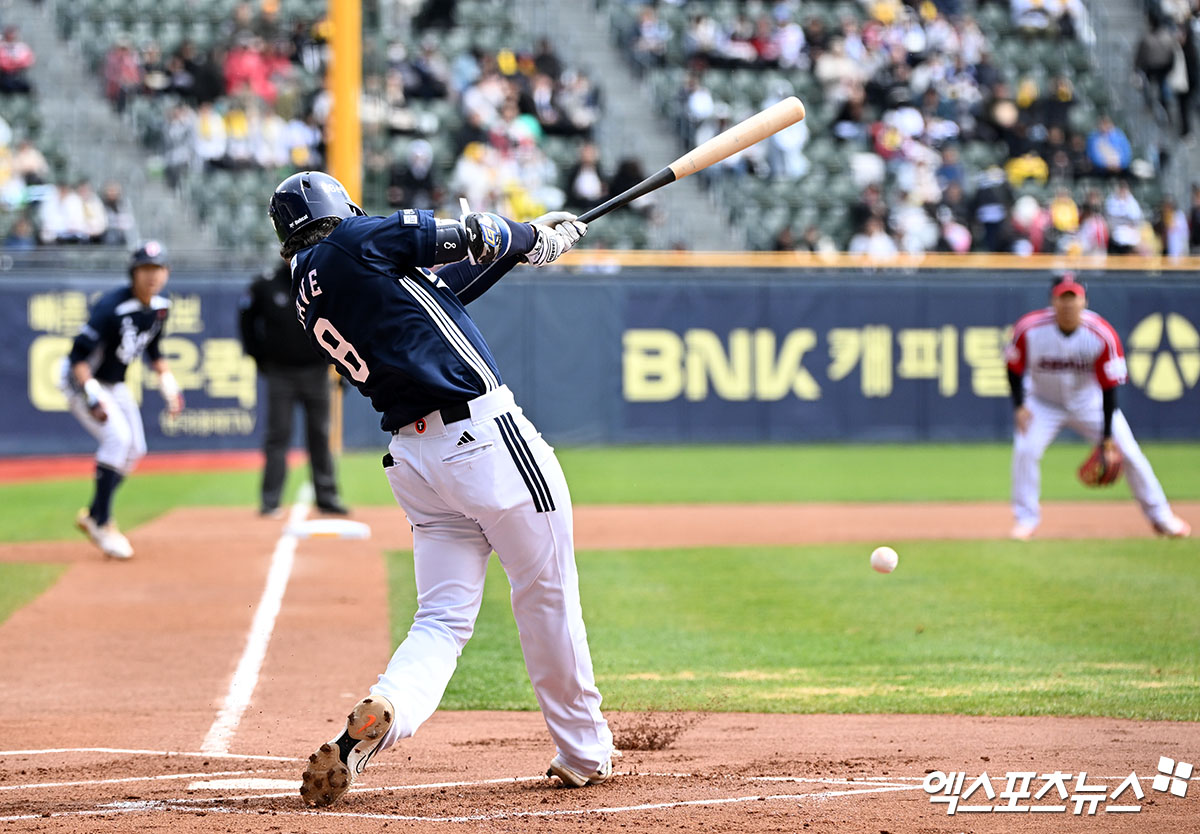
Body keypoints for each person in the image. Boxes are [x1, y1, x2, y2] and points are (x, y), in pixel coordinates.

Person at [267, 172, 613, 808]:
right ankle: (585, 751)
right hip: (483, 440)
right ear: (337, 209)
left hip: (416, 462)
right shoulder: (352, 242)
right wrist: (529, 234)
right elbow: (469, 234)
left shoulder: (310, 287)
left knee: (442, 619)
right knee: (547, 594)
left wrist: (526, 248)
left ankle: (389, 708)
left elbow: (443, 291)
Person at [1005, 275, 1191, 541]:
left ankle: (1162, 517)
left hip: (1089, 402)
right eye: (1063, 298)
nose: (1069, 305)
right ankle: (1026, 521)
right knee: (1025, 450)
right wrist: (1020, 405)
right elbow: (1013, 367)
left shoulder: (1101, 333)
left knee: (1129, 452)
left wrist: (1105, 438)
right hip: (1042, 403)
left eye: (1074, 298)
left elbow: (1109, 388)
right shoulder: (1029, 329)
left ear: (1085, 301)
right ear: (1052, 301)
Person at [62, 242, 184, 559]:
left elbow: (153, 348)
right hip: (83, 379)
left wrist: (168, 385)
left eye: (157, 269)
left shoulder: (161, 305)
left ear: (166, 272)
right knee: (117, 439)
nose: (151, 276)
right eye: (144, 269)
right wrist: (90, 396)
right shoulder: (111, 307)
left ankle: (92, 513)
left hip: (113, 381)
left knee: (135, 449)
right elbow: (78, 357)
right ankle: (102, 522)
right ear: (133, 273)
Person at [238, 262, 348, 517]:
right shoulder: (265, 284)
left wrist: (340, 366)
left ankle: (327, 497)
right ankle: (270, 500)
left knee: (320, 435)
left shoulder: (319, 280)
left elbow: (338, 321)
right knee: (278, 435)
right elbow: (246, 322)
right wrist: (259, 358)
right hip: (280, 373)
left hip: (316, 371)